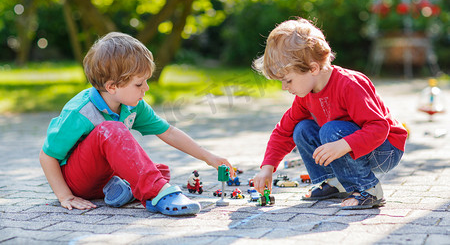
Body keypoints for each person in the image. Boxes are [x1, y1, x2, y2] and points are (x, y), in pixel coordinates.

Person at [39, 32, 234, 216]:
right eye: (139, 84)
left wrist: (209, 157)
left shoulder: (133, 106)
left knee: (160, 170)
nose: (146, 88)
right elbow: (47, 156)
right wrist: (65, 196)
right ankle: (158, 194)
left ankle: (121, 190)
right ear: (112, 87)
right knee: (113, 131)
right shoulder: (80, 111)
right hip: (78, 181)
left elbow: (169, 132)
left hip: (105, 178)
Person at [252, 18, 407, 209]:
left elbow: (379, 127)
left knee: (330, 131)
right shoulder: (305, 96)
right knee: (302, 129)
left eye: (288, 80)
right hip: (350, 143)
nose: (284, 87)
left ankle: (369, 189)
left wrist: (343, 145)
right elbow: (283, 131)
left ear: (313, 68)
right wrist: (267, 168)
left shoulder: (349, 85)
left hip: (385, 149)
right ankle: (335, 183)